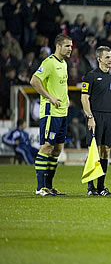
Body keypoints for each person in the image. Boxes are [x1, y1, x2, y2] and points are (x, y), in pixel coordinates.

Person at [30, 33, 72, 196]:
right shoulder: (49, 63)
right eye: (67, 46)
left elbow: (62, 84)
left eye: (71, 46)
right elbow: (34, 81)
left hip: (62, 112)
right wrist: (49, 97)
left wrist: (66, 97)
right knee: (47, 146)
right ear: (58, 46)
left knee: (57, 149)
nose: (70, 49)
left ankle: (49, 186)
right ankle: (40, 188)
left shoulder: (64, 64)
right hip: (50, 112)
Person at [81, 46, 111, 196]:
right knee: (94, 151)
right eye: (107, 57)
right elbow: (84, 98)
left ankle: (101, 186)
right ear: (99, 59)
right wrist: (90, 117)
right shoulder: (90, 76)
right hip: (96, 116)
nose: (110, 60)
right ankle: (90, 187)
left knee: (106, 151)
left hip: (109, 117)